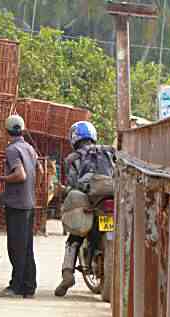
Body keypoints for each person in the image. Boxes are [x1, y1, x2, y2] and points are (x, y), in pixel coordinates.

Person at [54, 121, 115, 297]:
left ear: (74, 138)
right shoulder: (108, 152)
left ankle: (67, 274)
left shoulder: (72, 159)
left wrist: (65, 191)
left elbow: (73, 185)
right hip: (109, 200)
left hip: (89, 202)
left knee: (75, 236)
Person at [0, 114, 38, 298]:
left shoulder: (12, 150)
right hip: (28, 203)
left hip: (18, 205)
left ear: (6, 131)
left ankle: (15, 287)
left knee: (16, 247)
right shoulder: (29, 148)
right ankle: (29, 285)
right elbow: (38, 171)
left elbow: (20, 175)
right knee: (26, 247)